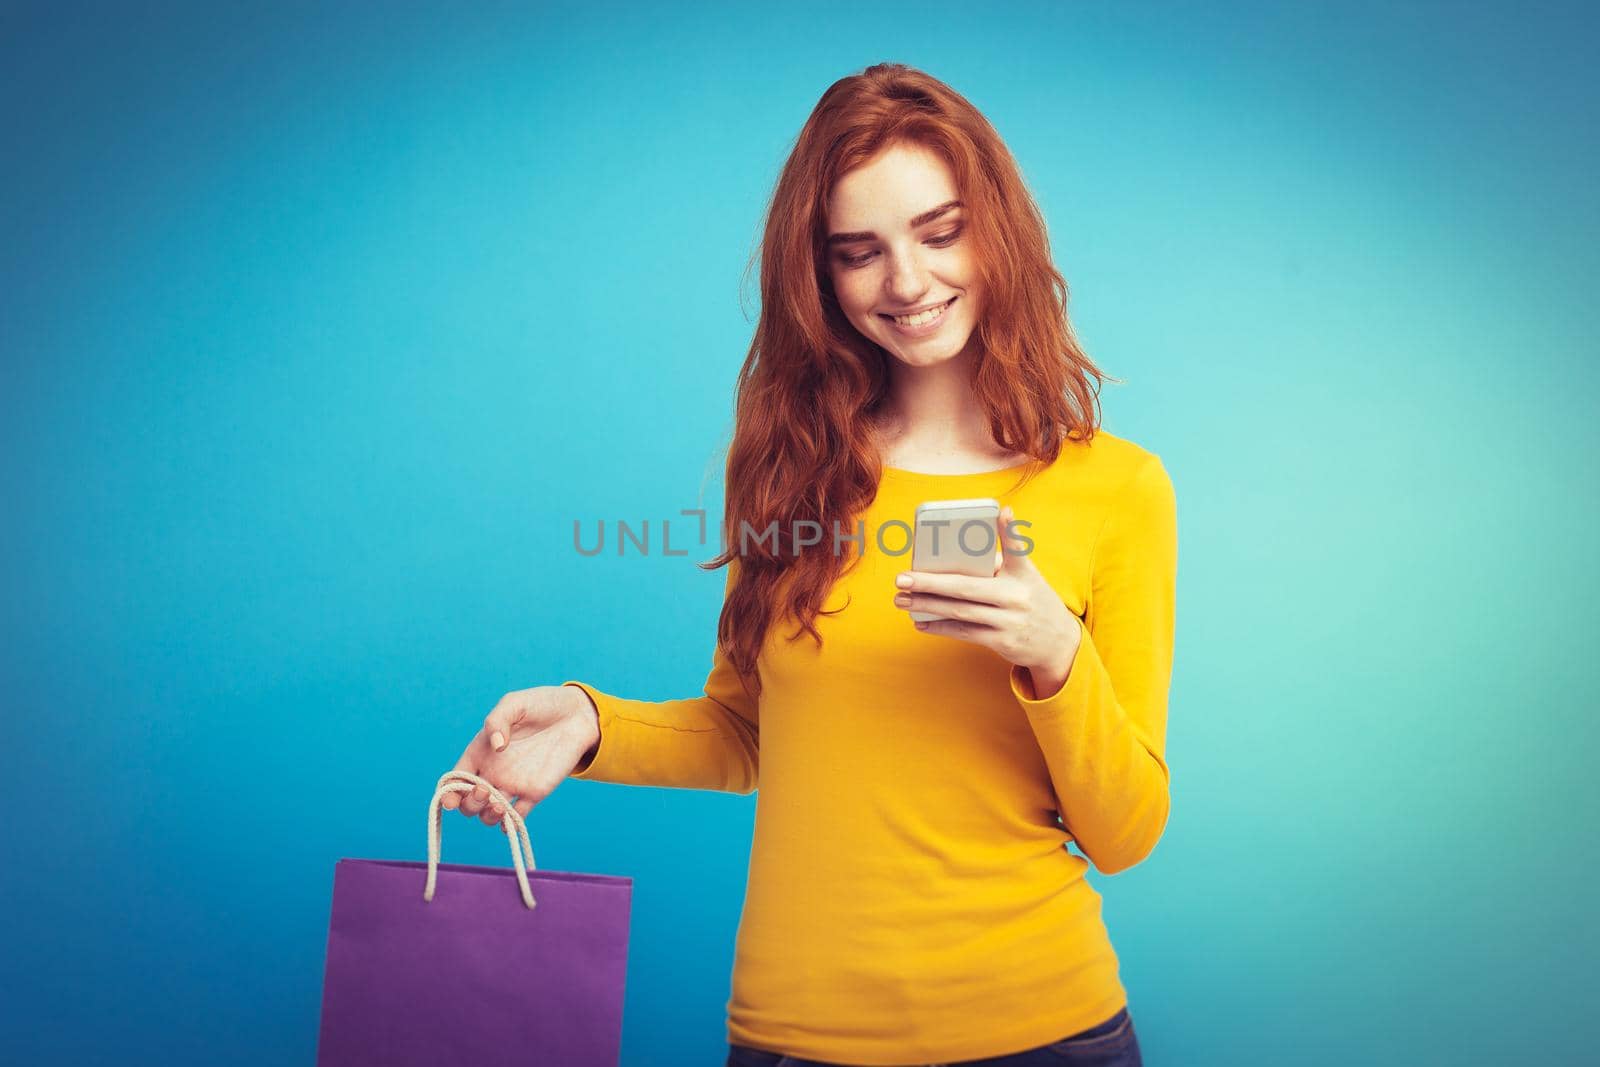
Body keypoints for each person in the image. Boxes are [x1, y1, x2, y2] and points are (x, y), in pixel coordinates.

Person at [442, 62, 1175, 1067]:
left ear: (995, 228)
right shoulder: (795, 476)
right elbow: (748, 734)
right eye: (858, 251)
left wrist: (1054, 654)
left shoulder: (1117, 489)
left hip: (1043, 1032)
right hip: (795, 1037)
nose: (906, 282)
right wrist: (591, 722)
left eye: (939, 230)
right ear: (819, 275)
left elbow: (1127, 830)